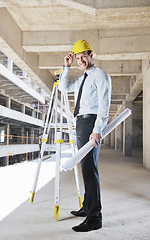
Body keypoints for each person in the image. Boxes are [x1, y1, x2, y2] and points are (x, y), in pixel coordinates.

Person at [58, 40, 111, 232]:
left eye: (83, 56)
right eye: (78, 57)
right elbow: (63, 88)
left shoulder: (101, 76)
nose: (81, 60)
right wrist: (66, 67)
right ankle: (87, 207)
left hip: (91, 124)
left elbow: (104, 105)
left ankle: (94, 218)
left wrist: (97, 129)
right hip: (81, 122)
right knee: (85, 168)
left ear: (91, 54)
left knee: (89, 170)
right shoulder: (83, 78)